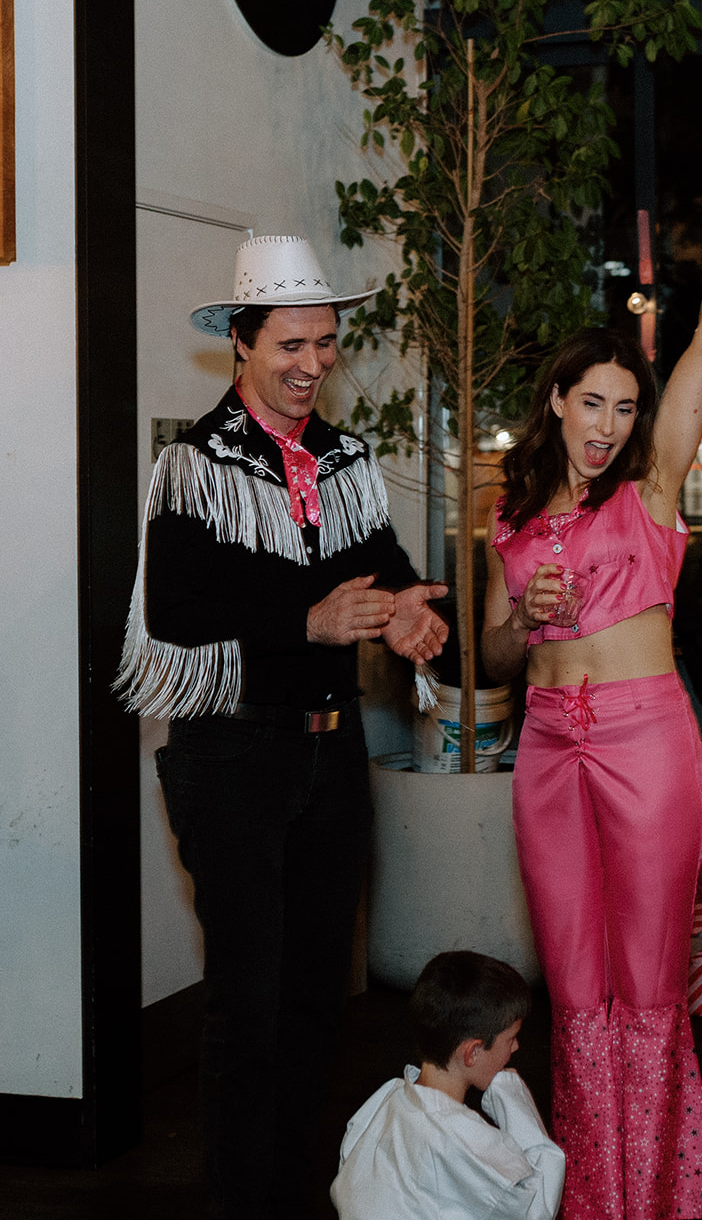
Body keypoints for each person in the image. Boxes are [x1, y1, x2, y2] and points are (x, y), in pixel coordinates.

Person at [116, 232, 449, 1220]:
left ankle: (296, 1197)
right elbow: (174, 610)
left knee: (315, 1001)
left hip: (332, 751)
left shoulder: (344, 458)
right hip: (231, 752)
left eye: (326, 342)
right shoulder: (194, 463)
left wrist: (408, 611)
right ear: (242, 341)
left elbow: (382, 566)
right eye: (290, 344)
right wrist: (305, 621)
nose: (312, 364)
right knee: (247, 1006)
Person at [481, 128, 702, 1220]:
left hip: (646, 741)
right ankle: (591, 1195)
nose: (607, 425)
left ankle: (655, 1197)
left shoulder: (651, 489)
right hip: (546, 747)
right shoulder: (509, 512)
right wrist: (523, 618)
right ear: (557, 401)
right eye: (591, 402)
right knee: (575, 985)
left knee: (648, 987)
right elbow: (491, 656)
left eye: (624, 406)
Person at [331, 950, 565, 1220]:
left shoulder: (384, 1101)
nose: (516, 1047)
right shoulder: (465, 1139)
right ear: (472, 1052)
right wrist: (510, 1094)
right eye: (511, 1038)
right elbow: (535, 1207)